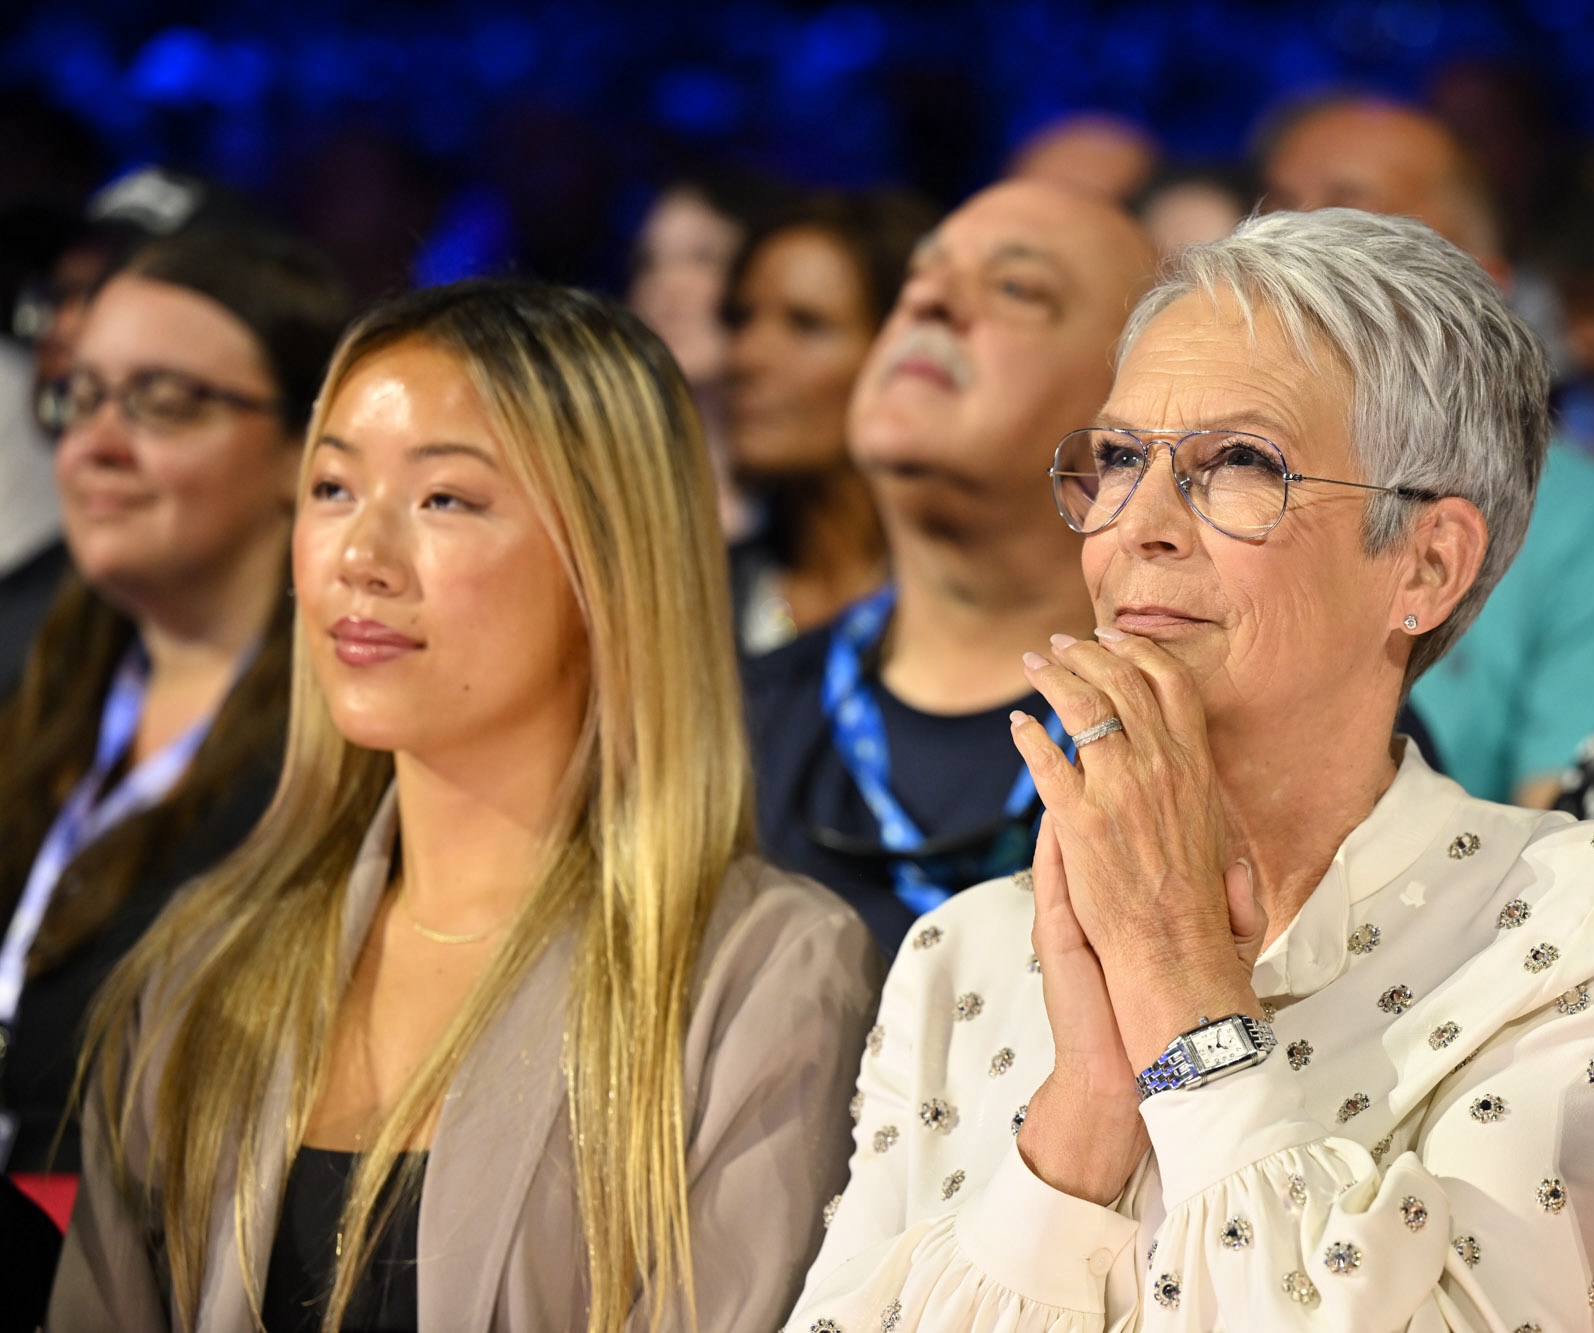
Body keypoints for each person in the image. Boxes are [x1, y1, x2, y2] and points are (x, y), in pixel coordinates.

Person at [785, 209, 1594, 1331]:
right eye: (1119, 458)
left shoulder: (1555, 943)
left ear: (1428, 563)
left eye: (1239, 466)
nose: (1137, 527)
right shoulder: (959, 952)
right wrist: (1079, 1124)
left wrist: (1179, 992)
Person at [50, 279, 880, 1332]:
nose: (360, 557)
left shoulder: (758, 976)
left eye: (445, 498)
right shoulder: (202, 970)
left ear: (610, 559)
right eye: (333, 489)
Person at [0, 226, 350, 1178]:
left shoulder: (342, 764)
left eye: (163, 401)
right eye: (82, 396)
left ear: (301, 452)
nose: (99, 445)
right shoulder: (28, 684)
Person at [744, 181, 1156, 952]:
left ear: (1127, 409)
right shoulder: (734, 726)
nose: (931, 301)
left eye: (1016, 288)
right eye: (921, 278)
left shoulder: (1222, 743)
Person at [1261, 94, 1594, 806]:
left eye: (1350, 216)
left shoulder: (1575, 520)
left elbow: (1562, 838)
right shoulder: (1187, 472)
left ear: (1482, 288)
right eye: (1279, 206)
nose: (1290, 245)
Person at [724, 187, 937, 654]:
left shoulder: (971, 603)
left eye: (805, 324)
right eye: (740, 319)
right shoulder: (704, 594)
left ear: (905, 355)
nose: (745, 357)